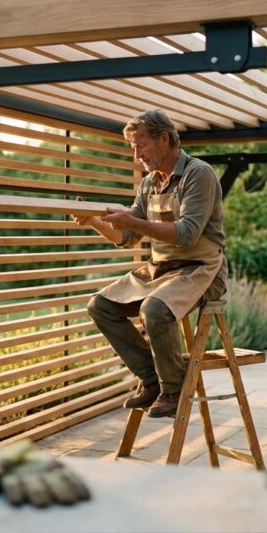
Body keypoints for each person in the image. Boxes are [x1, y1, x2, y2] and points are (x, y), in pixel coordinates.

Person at [71, 110, 227, 418]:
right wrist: (94, 222)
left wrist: (131, 220)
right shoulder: (149, 184)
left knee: (154, 309)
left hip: (202, 269)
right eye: (133, 147)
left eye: (140, 145)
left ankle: (173, 388)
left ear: (164, 139)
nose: (136, 154)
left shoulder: (199, 173)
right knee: (100, 306)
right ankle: (153, 379)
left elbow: (186, 233)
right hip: (162, 270)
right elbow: (127, 236)